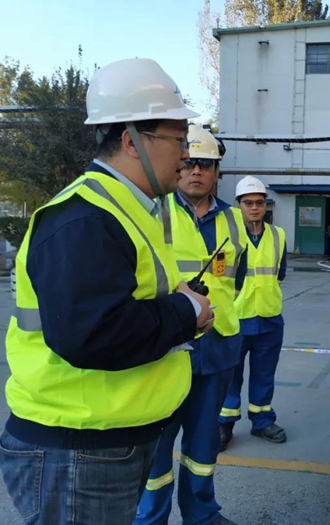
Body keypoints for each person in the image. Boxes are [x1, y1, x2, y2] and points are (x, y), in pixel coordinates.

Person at [0, 58, 212, 525]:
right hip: (76, 447)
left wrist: (180, 306)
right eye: (179, 139)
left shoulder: (131, 208)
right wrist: (184, 312)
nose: (186, 155)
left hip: (106, 439)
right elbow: (91, 333)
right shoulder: (84, 218)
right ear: (131, 141)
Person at [135, 125, 246, 525]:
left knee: (203, 444)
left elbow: (237, 281)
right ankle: (151, 518)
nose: (197, 171)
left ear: (217, 171)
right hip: (167, 349)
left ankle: (202, 514)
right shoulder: (152, 212)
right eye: (191, 163)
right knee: (157, 447)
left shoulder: (234, 220)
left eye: (207, 164)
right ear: (178, 166)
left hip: (218, 349)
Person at [219, 176, 288, 448]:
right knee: (229, 375)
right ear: (238, 205)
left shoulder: (278, 235)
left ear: (266, 205)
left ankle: (262, 421)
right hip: (235, 318)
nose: (254, 208)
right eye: (248, 203)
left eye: (259, 202)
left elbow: (279, 273)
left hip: (269, 318)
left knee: (264, 374)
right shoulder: (227, 236)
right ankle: (224, 423)